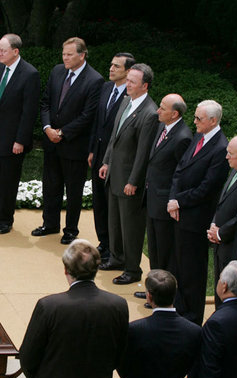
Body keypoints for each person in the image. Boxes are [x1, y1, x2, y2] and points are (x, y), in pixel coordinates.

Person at [19, 239, 128, 378]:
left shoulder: (49, 307)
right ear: (97, 269)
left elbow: (28, 358)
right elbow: (120, 355)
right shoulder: (117, 306)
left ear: (66, 270)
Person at [32, 37, 104, 245]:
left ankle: (71, 229)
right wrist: (47, 128)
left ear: (82, 55)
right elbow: (45, 102)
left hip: (74, 145)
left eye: (69, 54)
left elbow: (87, 116)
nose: (65, 57)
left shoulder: (94, 80)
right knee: (51, 185)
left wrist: (62, 132)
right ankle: (50, 223)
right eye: (63, 53)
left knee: (73, 190)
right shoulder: (57, 71)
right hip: (51, 142)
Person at [167, 100, 229, 325]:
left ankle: (192, 317)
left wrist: (178, 201)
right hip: (180, 214)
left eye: (198, 119)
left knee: (193, 270)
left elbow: (207, 188)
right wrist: (173, 198)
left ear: (213, 121)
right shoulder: (198, 137)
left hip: (197, 218)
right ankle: (178, 307)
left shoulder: (221, 148)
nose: (194, 122)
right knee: (179, 266)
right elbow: (180, 169)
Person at [98, 63, 159, 285]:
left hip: (129, 180)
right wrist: (106, 161)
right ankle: (116, 257)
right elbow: (114, 137)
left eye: (132, 82)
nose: (127, 84)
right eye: (128, 80)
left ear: (145, 86)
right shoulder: (125, 102)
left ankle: (132, 269)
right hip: (115, 174)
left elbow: (143, 153)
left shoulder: (150, 113)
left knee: (130, 226)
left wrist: (134, 181)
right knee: (114, 221)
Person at [0, 34, 40, 234]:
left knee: (8, 180)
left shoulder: (30, 74)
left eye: (3, 50)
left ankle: (6, 218)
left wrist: (21, 139)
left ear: (15, 51)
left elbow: (29, 112)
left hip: (13, 139)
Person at [140, 94, 192, 282]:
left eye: (162, 108)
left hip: (164, 203)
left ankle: (163, 287)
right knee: (154, 247)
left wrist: (173, 200)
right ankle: (154, 285)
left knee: (164, 250)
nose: (157, 111)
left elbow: (182, 174)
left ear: (174, 113)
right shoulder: (162, 127)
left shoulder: (182, 137)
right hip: (152, 197)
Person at [88, 52, 134, 261]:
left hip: (115, 160)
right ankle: (103, 242)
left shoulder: (130, 97)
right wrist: (91, 150)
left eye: (116, 66)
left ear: (128, 71)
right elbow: (97, 122)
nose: (111, 69)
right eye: (111, 65)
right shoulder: (106, 88)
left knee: (111, 205)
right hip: (98, 154)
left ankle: (115, 247)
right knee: (98, 202)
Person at [207, 134, 237, 306]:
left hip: (230, 242)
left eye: (231, 153)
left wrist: (220, 232)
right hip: (219, 239)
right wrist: (214, 225)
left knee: (229, 289)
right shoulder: (235, 171)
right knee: (219, 285)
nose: (226, 156)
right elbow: (222, 203)